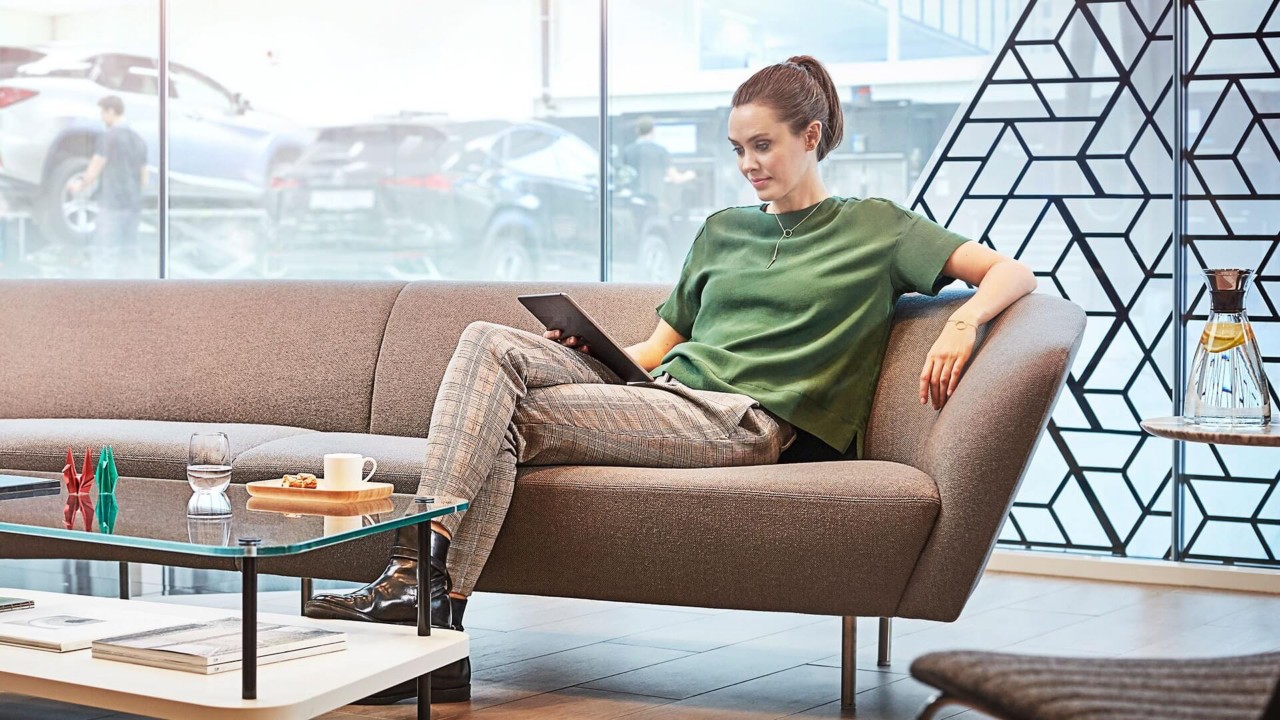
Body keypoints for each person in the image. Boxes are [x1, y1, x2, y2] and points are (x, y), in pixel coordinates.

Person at [304, 55, 1037, 705]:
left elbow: (1012, 271)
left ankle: (422, 599)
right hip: (663, 395)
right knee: (488, 344)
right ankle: (432, 612)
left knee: (505, 425)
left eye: (763, 145)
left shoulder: (878, 228)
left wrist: (965, 323)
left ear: (811, 137)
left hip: (744, 421)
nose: (748, 164)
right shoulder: (724, 230)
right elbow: (655, 349)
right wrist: (589, 352)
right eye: (737, 149)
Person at [66, 95, 148, 275]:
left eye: (102, 113)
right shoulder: (138, 140)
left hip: (112, 205)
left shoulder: (108, 137)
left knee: (105, 255)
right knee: (130, 253)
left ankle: (103, 299)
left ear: (111, 111)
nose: (101, 117)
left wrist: (79, 186)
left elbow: (94, 169)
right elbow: (144, 179)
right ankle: (137, 298)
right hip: (133, 206)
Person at [621, 115, 695, 206]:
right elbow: (676, 179)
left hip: (633, 200)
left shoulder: (628, 151)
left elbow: (624, 177)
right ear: (653, 131)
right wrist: (690, 174)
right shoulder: (661, 151)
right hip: (655, 201)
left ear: (637, 131)